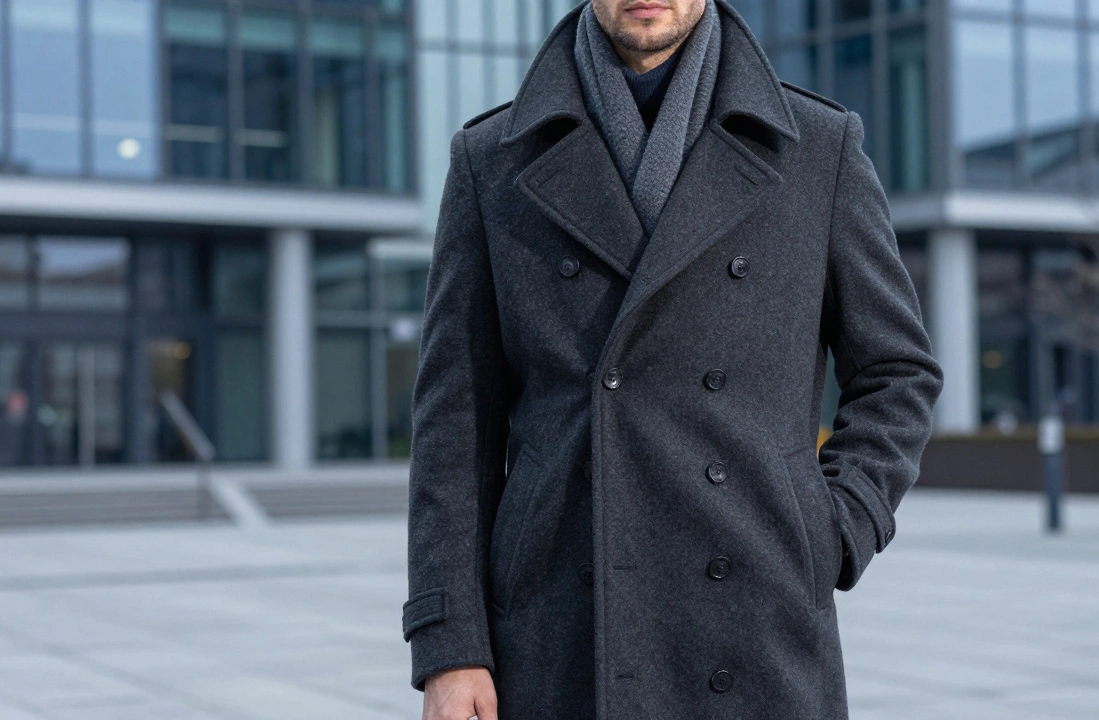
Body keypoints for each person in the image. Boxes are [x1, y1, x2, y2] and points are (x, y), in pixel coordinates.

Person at [403, 1, 944, 718]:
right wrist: (450, 647)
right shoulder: (492, 159)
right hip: (557, 627)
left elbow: (898, 372)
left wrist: (833, 529)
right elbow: (453, 426)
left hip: (758, 618)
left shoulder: (818, 149)